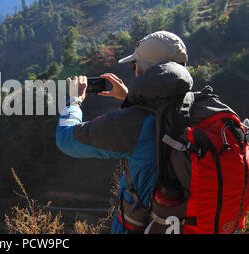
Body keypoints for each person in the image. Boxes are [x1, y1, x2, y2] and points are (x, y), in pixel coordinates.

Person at [56, 31, 190, 234]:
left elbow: (66, 138)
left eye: (135, 65)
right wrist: (130, 99)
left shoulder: (134, 123)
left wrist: (74, 101)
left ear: (142, 70)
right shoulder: (201, 107)